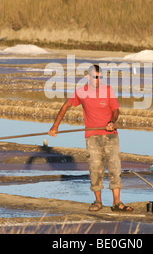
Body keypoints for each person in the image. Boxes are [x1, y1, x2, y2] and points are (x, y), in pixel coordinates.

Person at [48, 64, 133, 212]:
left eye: (100, 77)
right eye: (95, 77)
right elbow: (65, 106)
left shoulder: (107, 90)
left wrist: (112, 122)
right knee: (95, 169)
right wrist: (55, 127)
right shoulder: (81, 92)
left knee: (114, 168)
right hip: (92, 137)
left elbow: (115, 110)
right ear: (88, 77)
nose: (98, 80)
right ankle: (98, 201)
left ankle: (117, 202)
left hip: (110, 136)